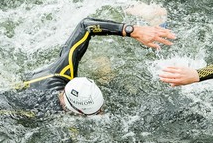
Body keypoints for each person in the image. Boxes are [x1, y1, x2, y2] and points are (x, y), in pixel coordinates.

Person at [17, 17, 175, 115]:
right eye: (96, 112)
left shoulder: (62, 72)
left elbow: (85, 26)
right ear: (77, 112)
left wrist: (132, 31)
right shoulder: (35, 110)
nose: (101, 114)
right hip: (19, 93)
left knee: (104, 66)